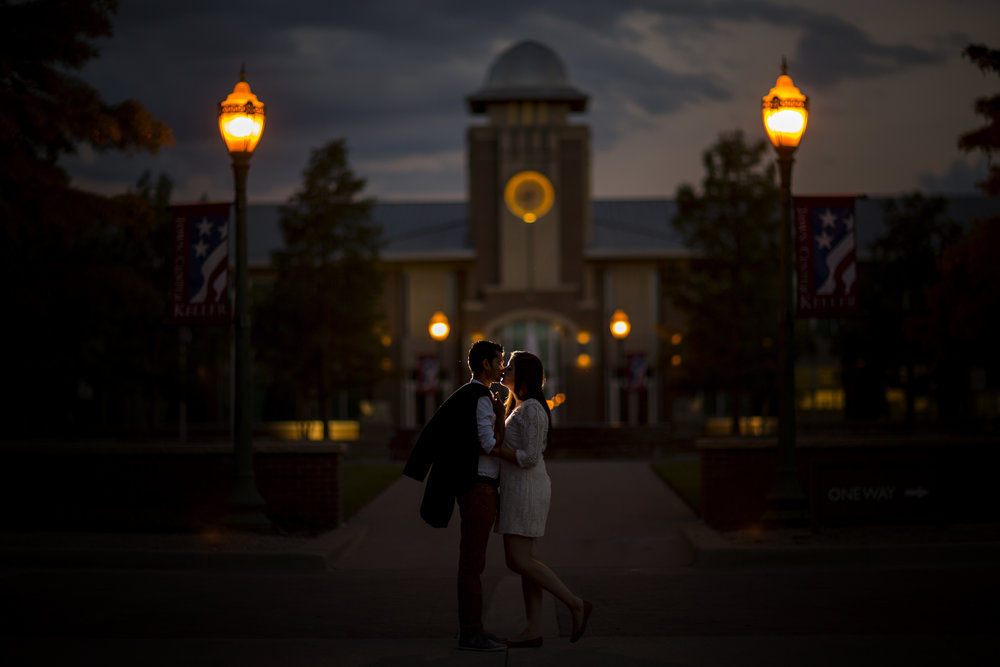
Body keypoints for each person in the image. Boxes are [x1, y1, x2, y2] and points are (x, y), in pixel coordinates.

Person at [402, 339, 508, 652]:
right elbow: (487, 444)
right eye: (499, 361)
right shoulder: (479, 396)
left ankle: (476, 629)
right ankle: (471, 633)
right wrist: (519, 451)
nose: (502, 366)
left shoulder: (474, 395)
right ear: (486, 364)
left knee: (473, 563)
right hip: (478, 488)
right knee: (472, 563)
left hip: (477, 487)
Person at [491, 351, 593, 647]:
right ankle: (533, 629)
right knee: (526, 561)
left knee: (518, 559)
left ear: (524, 375)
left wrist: (496, 451)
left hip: (527, 488)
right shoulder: (520, 407)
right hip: (518, 487)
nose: (504, 370)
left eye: (510, 367)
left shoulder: (533, 409)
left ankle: (575, 604)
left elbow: (530, 457)